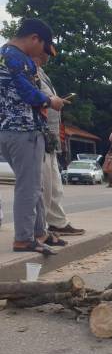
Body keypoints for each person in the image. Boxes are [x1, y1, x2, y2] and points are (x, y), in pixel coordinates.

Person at [0, 18, 67, 255]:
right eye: (42, 47)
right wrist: (50, 101)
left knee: (34, 185)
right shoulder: (16, 57)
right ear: (34, 38)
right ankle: (24, 238)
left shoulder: (5, 55)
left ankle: (39, 233)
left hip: (11, 129)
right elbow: (26, 90)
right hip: (23, 130)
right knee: (28, 187)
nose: (42, 55)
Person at [33, 53, 84, 236]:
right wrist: (52, 101)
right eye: (46, 51)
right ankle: (39, 228)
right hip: (39, 133)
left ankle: (57, 222)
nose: (48, 56)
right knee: (44, 184)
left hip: (50, 135)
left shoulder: (42, 73)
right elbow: (36, 98)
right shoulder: (28, 71)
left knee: (54, 184)